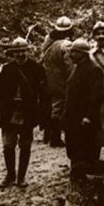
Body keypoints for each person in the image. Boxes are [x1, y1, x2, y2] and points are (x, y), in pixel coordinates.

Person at [0, 37, 49, 189]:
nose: (20, 54)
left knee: (25, 145)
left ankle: (21, 177)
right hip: (9, 113)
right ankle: (10, 175)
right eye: (17, 52)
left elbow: (44, 95)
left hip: (27, 112)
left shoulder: (37, 69)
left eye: (23, 51)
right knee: (8, 145)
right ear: (13, 53)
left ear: (27, 51)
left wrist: (44, 116)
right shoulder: (7, 69)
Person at [62, 38, 104, 167]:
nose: (71, 54)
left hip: (85, 121)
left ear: (82, 54)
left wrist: (88, 117)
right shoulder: (78, 67)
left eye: (74, 52)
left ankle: (86, 179)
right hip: (74, 119)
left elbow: (96, 97)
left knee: (87, 152)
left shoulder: (93, 69)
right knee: (74, 150)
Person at [41, 16, 74, 147]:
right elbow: (69, 66)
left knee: (53, 107)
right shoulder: (65, 45)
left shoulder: (48, 42)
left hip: (49, 80)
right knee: (59, 109)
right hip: (62, 82)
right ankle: (55, 138)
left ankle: (49, 135)